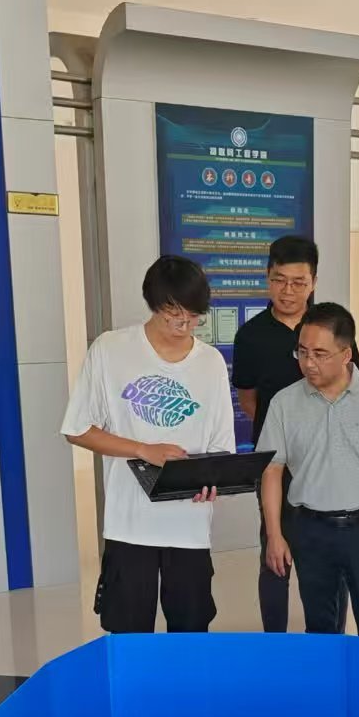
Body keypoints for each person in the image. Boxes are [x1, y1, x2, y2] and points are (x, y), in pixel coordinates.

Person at [62, 255, 235, 634]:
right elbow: (77, 429)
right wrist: (143, 450)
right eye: (174, 315)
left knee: (190, 633)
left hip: (189, 526)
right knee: (128, 634)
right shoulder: (110, 350)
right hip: (129, 525)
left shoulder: (210, 363)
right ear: (154, 304)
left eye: (193, 317)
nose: (184, 326)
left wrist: (213, 481)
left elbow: (222, 447)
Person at [231, 236, 359, 633]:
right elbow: (250, 400)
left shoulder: (332, 328)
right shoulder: (250, 335)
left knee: (332, 553)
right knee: (275, 550)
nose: (287, 291)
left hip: (330, 461)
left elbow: (353, 386)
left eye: (298, 282)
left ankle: (329, 639)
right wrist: (286, 435)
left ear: (314, 282)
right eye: (279, 280)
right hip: (277, 463)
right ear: (267, 278)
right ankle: (276, 642)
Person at [257, 304, 359, 638]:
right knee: (320, 630)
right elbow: (272, 471)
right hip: (310, 530)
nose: (308, 363)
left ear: (346, 354)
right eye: (302, 352)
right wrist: (275, 535)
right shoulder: (284, 403)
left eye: (320, 354)